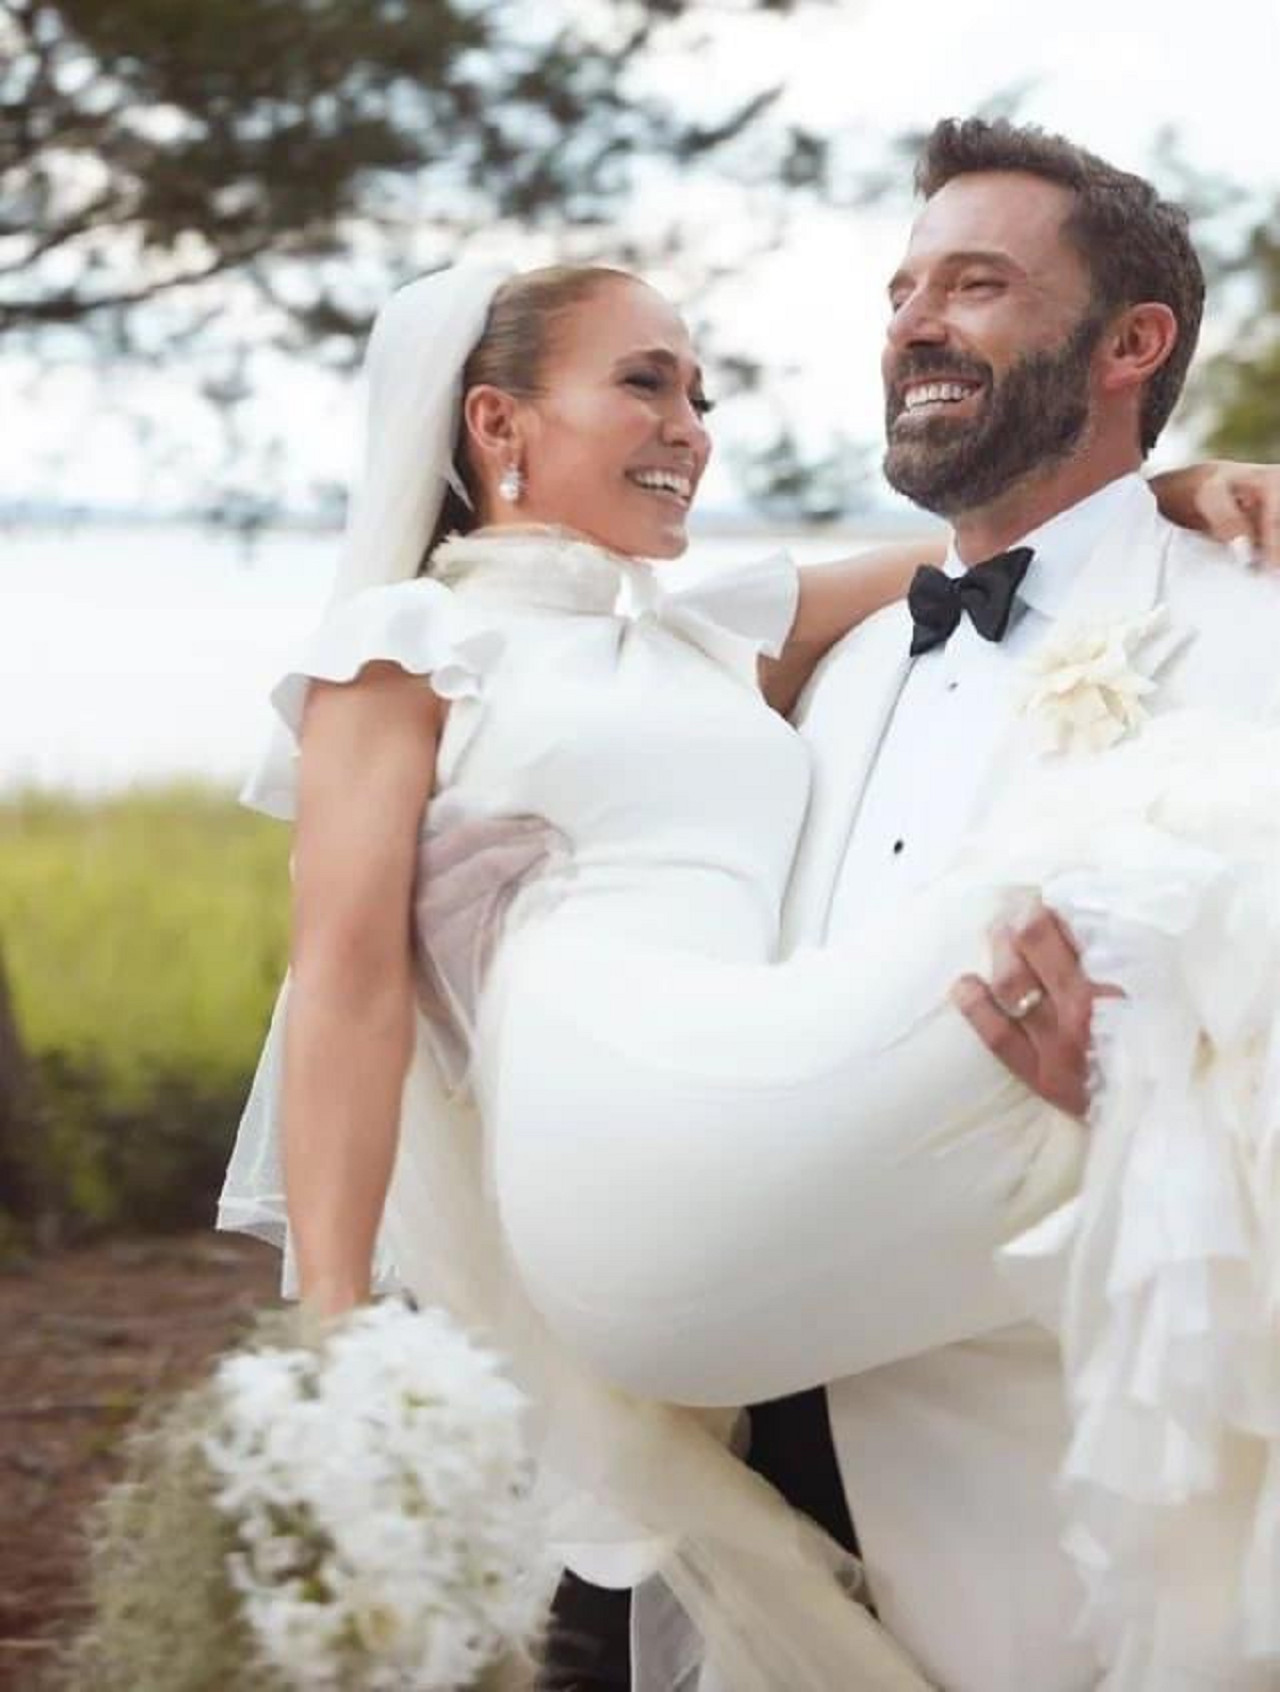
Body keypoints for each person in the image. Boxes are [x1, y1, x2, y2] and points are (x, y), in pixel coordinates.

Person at [217, 245, 1280, 1688]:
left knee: (1166, 1000)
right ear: (497, 426)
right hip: (621, 1144)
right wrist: (334, 1335)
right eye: (643, 384)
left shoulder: (710, 635)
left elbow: (998, 547)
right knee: (1173, 836)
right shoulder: (411, 648)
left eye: (702, 396)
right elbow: (342, 984)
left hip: (753, 1085)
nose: (692, 431)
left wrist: (1172, 486)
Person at [531, 120, 1280, 1692]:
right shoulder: (833, 672)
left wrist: (1173, 1096)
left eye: (979, 284)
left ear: (1133, 342)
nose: (915, 324)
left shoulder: (1249, 619)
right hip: (749, 1486)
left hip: (1050, 1521)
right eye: (900, 291)